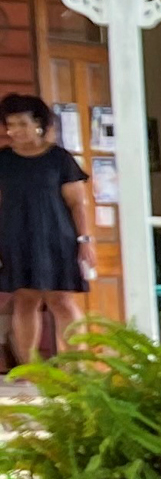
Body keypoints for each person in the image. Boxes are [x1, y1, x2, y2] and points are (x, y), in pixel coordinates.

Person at [0, 93, 93, 365]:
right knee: (25, 299)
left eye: (21, 123)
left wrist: (85, 240)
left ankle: (76, 365)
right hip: (15, 236)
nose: (14, 131)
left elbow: (77, 203)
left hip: (56, 236)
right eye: (10, 124)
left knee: (60, 300)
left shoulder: (60, 159)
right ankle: (29, 367)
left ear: (39, 124)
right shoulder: (3, 160)